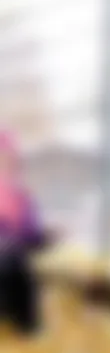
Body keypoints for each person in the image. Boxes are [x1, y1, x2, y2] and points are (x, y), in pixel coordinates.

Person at [0, 129, 45, 335]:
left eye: (8, 161)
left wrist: (43, 236)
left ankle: (26, 327)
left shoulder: (21, 198)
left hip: (14, 265)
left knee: (18, 266)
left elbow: (32, 234)